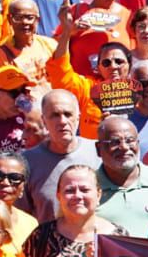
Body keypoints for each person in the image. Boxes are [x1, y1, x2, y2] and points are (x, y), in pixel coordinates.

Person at [93, 116, 148, 238]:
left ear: (138, 144)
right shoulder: (87, 188)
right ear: (98, 149)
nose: (124, 147)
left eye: (130, 140)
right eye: (114, 142)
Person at [21, 91, 101, 222]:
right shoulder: (27, 162)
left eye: (68, 114)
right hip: (47, 241)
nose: (62, 121)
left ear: (78, 117)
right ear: (44, 120)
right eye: (54, 115)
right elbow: (21, 216)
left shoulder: (98, 152)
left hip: (95, 239)